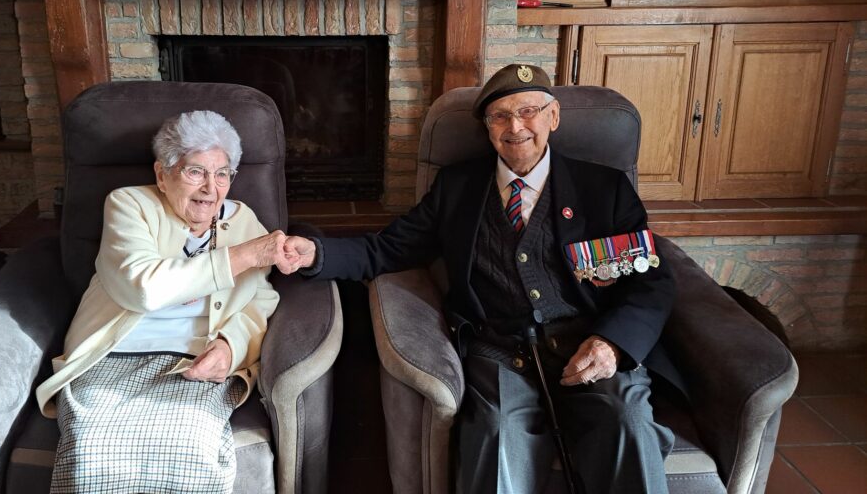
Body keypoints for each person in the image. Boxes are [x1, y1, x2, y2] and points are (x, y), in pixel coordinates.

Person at [281, 64, 681, 493]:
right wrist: (316, 252)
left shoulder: (604, 188)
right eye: (499, 117)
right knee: (493, 436)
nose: (515, 127)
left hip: (591, 345)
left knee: (628, 424)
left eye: (528, 111)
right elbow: (388, 248)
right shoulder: (458, 187)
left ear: (553, 117)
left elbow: (650, 280)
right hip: (503, 355)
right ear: (487, 128)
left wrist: (613, 345)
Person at [36, 110, 284, 494]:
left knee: (191, 444)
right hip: (113, 355)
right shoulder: (128, 205)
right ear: (161, 174)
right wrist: (246, 256)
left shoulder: (244, 221)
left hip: (194, 360)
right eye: (195, 172)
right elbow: (143, 289)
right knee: (90, 449)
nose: (210, 189)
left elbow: (260, 299)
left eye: (222, 174)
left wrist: (231, 347)